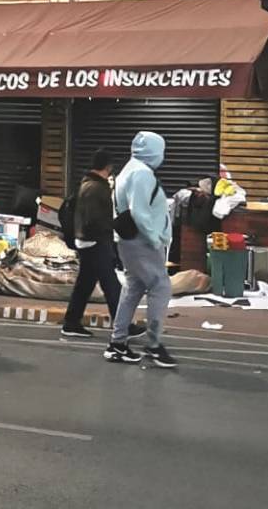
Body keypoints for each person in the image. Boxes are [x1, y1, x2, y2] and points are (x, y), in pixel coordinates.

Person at [106, 131, 176, 368]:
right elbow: (140, 212)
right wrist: (155, 239)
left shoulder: (129, 169)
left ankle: (117, 343)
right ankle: (153, 345)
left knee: (133, 287)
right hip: (142, 242)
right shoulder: (142, 174)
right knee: (161, 286)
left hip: (130, 241)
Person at [61, 149, 146, 341]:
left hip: (86, 241)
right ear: (108, 166)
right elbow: (94, 219)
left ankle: (71, 322)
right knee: (111, 285)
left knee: (85, 284)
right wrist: (115, 226)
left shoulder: (87, 183)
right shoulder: (96, 188)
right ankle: (123, 325)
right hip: (95, 241)